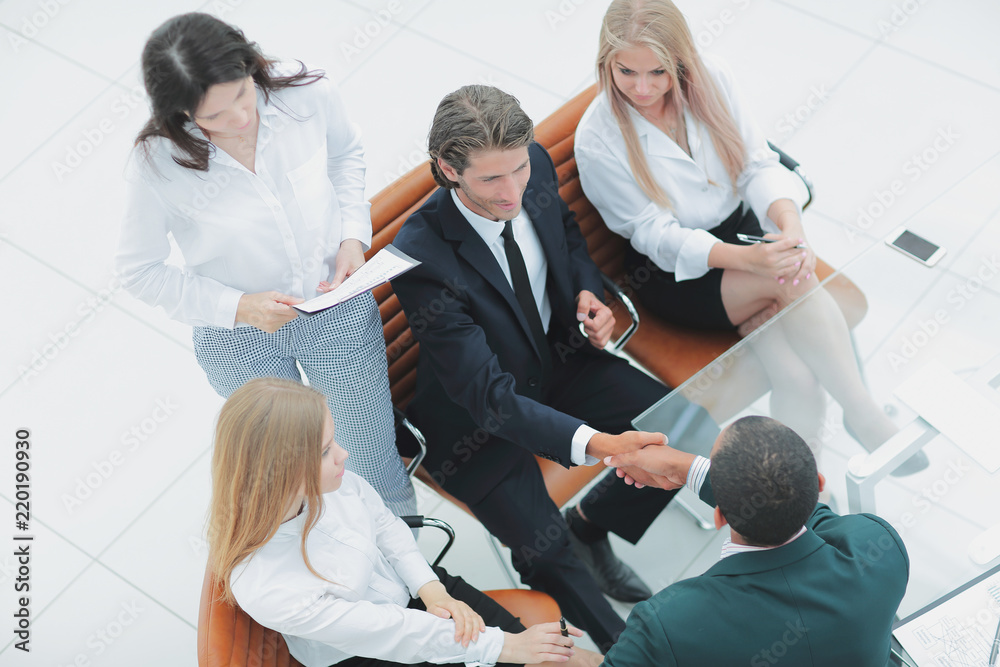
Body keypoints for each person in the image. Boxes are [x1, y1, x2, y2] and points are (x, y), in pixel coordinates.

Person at [390, 84, 689, 651]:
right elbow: (489, 399)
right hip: (474, 423)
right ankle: (631, 658)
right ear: (448, 169)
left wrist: (586, 294)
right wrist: (601, 444)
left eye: (518, 171)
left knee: (678, 424)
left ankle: (593, 524)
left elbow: (568, 240)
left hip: (560, 363)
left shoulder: (535, 166)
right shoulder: (422, 257)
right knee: (549, 556)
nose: (512, 193)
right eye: (491, 180)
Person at [574, 0, 926, 475]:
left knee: (799, 378)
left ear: (680, 60)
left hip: (743, 238)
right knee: (795, 279)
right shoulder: (598, 137)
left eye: (657, 72)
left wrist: (790, 225)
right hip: (677, 273)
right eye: (626, 71)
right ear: (605, 62)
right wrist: (751, 261)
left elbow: (758, 163)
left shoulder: (712, 78)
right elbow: (655, 235)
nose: (642, 88)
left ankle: (798, 488)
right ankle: (865, 415)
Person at [115, 13, 416, 515]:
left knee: (367, 456)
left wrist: (351, 236)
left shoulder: (308, 91)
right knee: (295, 467)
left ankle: (409, 564)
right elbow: (138, 271)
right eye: (214, 116)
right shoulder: (158, 163)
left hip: (332, 306)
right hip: (237, 336)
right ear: (182, 114)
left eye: (242, 93)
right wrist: (239, 306)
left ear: (249, 64)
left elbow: (345, 155)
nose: (240, 118)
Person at [208, 377, 604, 667]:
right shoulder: (267, 585)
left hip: (415, 590)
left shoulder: (329, 484)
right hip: (367, 653)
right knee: (530, 653)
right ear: (283, 471)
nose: (344, 455)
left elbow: (384, 525)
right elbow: (389, 632)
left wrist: (432, 590)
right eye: (327, 450)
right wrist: (504, 647)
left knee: (565, 659)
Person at [600, 415, 909, 666]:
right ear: (818, 485)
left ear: (719, 517)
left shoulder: (666, 625)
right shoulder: (880, 548)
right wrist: (689, 469)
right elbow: (796, 501)